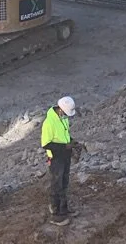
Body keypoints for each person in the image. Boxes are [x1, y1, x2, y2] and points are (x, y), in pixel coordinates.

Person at [41, 95, 81, 225]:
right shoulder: (49, 123)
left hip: (65, 155)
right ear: (60, 110)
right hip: (56, 157)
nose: (67, 116)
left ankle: (64, 209)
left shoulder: (63, 119)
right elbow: (45, 144)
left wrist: (72, 141)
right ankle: (55, 213)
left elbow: (65, 134)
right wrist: (65, 146)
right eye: (66, 113)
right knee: (56, 184)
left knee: (64, 182)